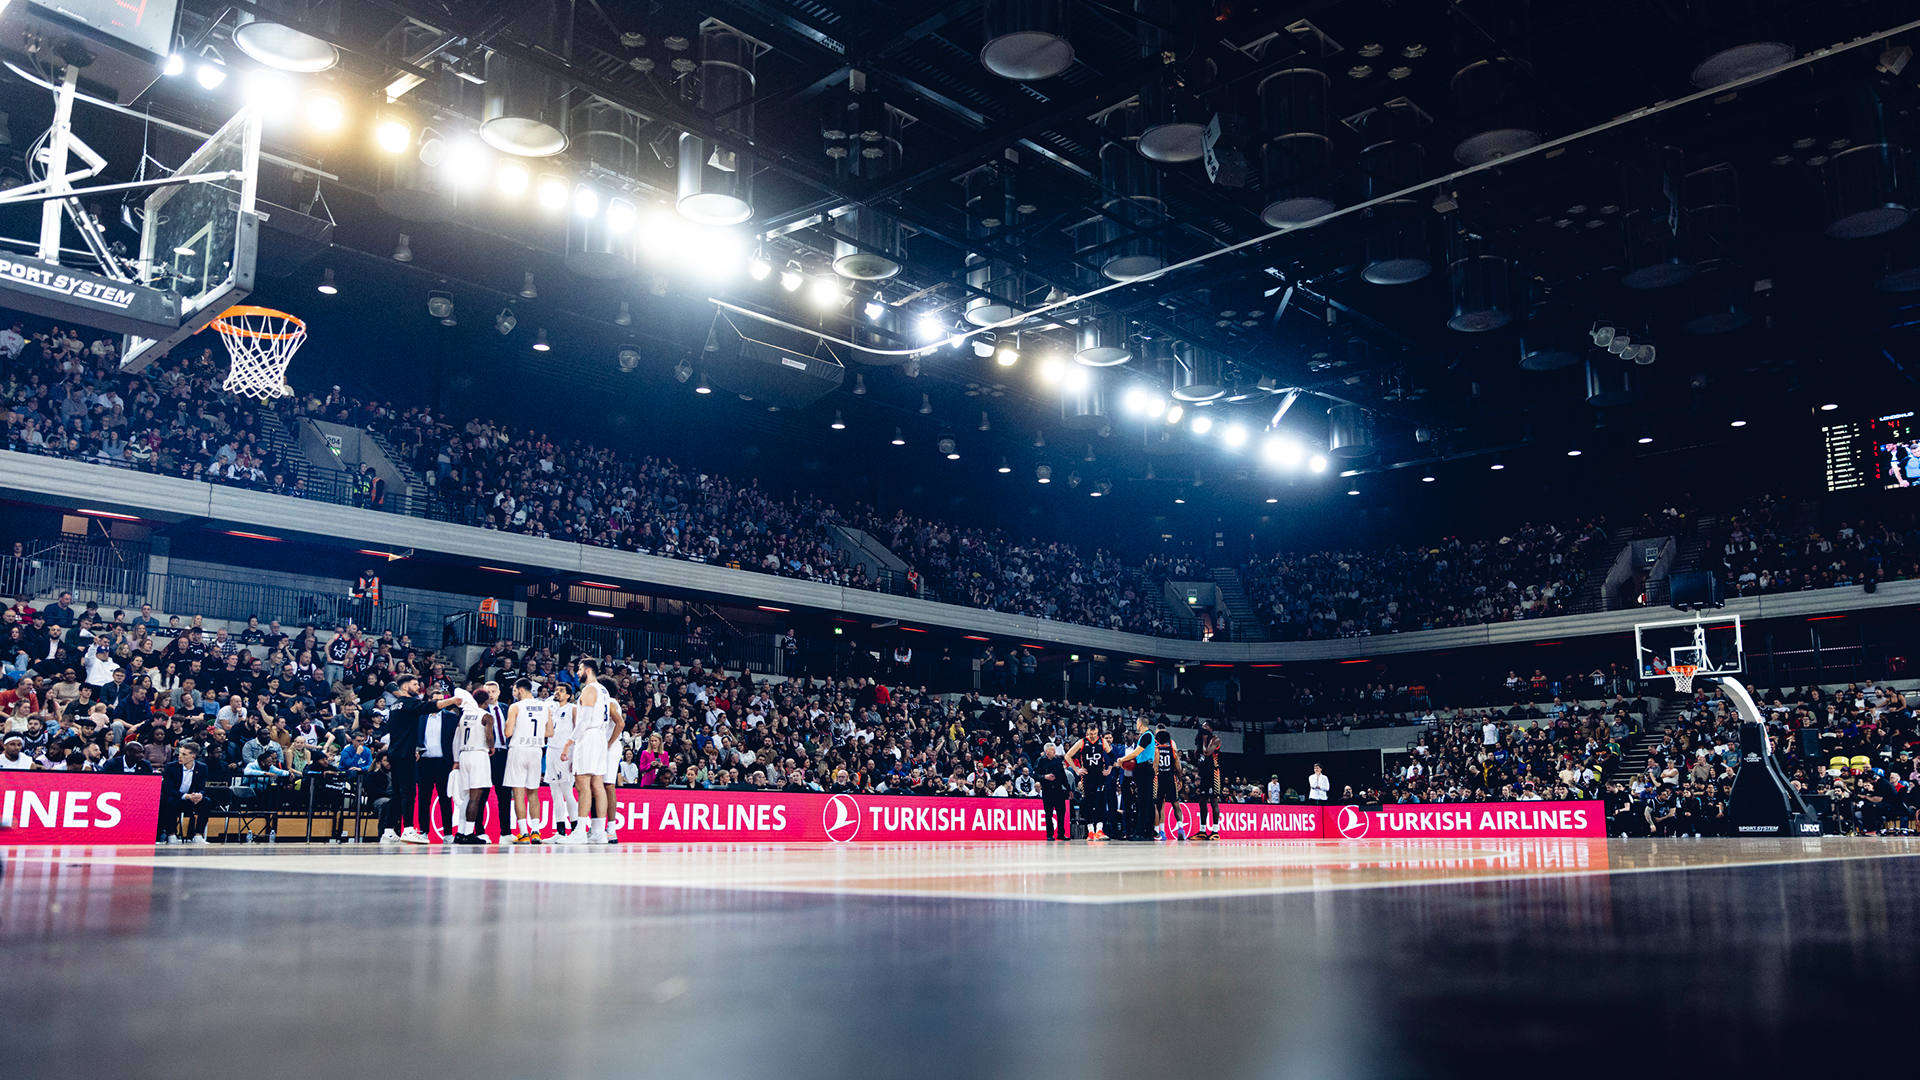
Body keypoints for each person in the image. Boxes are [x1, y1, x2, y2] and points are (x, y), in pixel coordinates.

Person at [557, 659, 619, 844]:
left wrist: (569, 742)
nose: (577, 672)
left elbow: (584, 721)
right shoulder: (604, 690)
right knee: (597, 784)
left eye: (580, 669)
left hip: (590, 736)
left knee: (582, 784)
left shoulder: (589, 689)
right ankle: (599, 832)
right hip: (600, 736)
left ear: (588, 670)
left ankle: (580, 832)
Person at [444, 685, 494, 845]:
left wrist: (456, 760)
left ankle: (460, 832)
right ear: (485, 702)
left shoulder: (464, 716)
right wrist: (492, 747)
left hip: (463, 755)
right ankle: (469, 833)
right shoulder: (486, 716)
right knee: (475, 797)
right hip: (478, 754)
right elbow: (489, 736)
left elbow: (456, 739)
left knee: (466, 796)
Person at [501, 679, 547, 844]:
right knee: (533, 793)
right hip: (536, 750)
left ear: (521, 690)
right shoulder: (544, 706)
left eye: (514, 691)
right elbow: (550, 731)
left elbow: (507, 732)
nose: (513, 694)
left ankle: (524, 833)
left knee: (519, 793)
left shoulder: (516, 707)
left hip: (519, 749)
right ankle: (536, 832)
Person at [543, 683, 579, 841]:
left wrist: (575, 756)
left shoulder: (573, 709)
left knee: (567, 791)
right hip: (551, 750)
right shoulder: (551, 708)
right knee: (554, 792)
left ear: (568, 695)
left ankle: (576, 829)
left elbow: (578, 732)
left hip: (566, 753)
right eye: (557, 690)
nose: (557, 692)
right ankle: (560, 831)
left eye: (561, 691)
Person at [1064, 722, 1111, 842]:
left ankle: (1099, 830)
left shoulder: (1102, 741)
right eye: (1091, 734)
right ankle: (1090, 831)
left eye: (1095, 734)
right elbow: (1067, 756)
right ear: (1087, 733)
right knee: (1089, 802)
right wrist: (1077, 770)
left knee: (1101, 802)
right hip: (1087, 777)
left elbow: (1113, 756)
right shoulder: (1082, 742)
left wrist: (1109, 769)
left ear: (1097, 732)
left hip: (1099, 776)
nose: (1093, 736)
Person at [1113, 718, 1156, 841]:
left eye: (1137, 723)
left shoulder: (1146, 736)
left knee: (1143, 802)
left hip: (1144, 770)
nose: (1136, 725)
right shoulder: (1146, 736)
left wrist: (1122, 759)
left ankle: (1140, 832)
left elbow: (1136, 753)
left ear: (1140, 723)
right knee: (1147, 802)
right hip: (1144, 769)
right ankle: (1148, 831)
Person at [160, 741, 211, 844]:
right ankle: (171, 834)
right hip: (175, 797)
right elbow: (167, 789)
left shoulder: (202, 767)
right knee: (171, 801)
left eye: (184, 754)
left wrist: (199, 795)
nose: (180, 756)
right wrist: (185, 796)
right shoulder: (171, 767)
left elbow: (201, 787)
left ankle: (198, 835)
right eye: (180, 753)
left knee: (206, 802)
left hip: (191, 799)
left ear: (193, 757)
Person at [1154, 724, 1185, 841]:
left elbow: (1154, 767)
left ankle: (1161, 832)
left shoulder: (1156, 750)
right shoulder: (1172, 750)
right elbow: (1178, 767)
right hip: (1171, 779)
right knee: (1176, 804)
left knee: (1160, 805)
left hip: (1159, 779)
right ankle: (1180, 828)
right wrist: (1180, 780)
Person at [1194, 723, 1224, 840]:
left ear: (1210, 728)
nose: (1202, 729)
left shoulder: (1215, 739)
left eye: (1204, 727)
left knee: (1213, 801)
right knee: (1202, 801)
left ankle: (1215, 831)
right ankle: (1202, 831)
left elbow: (1207, 753)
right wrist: (1198, 743)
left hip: (1214, 773)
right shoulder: (1201, 740)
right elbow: (1196, 756)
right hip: (1204, 773)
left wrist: (1204, 740)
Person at [1038, 742, 1070, 841]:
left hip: (1058, 789)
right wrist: (1044, 777)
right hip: (1047, 790)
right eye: (1052, 750)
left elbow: (1063, 775)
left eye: (1054, 750)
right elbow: (1035, 774)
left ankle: (1061, 833)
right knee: (1048, 813)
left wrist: (1069, 789)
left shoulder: (1058, 760)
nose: (1054, 751)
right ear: (1046, 751)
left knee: (1061, 812)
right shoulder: (1040, 761)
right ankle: (1049, 834)